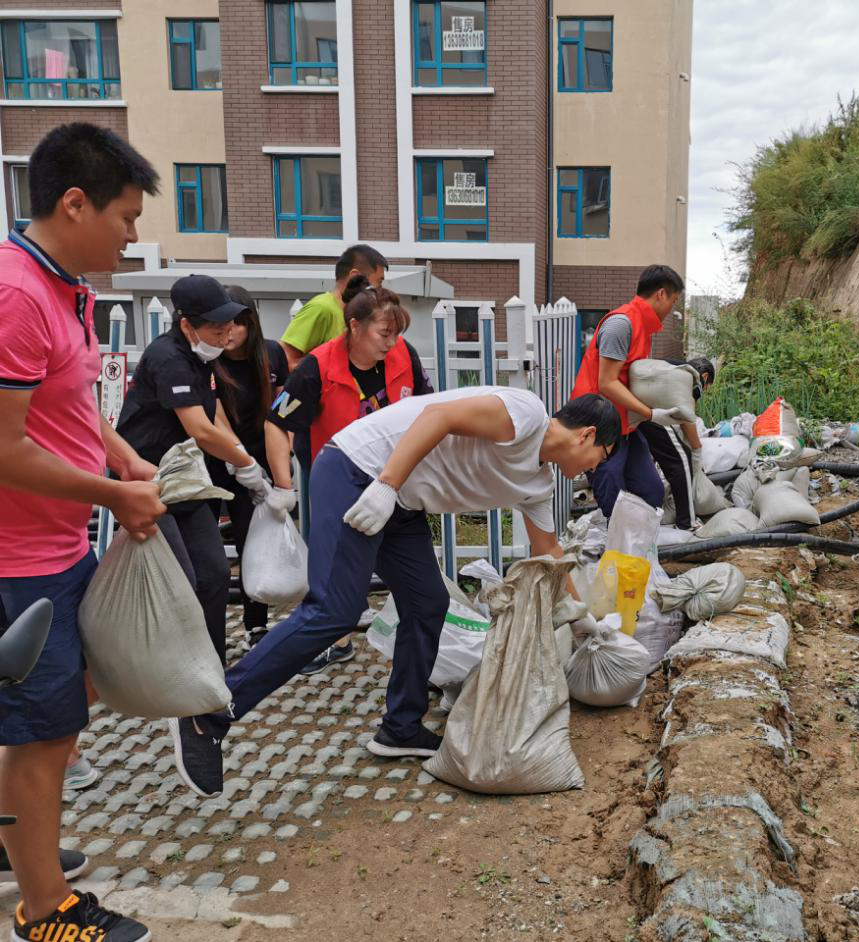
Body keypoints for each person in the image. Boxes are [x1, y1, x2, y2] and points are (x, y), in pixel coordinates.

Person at [168, 388, 620, 796]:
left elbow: (549, 551)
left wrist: (581, 620)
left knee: (428, 604)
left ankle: (400, 728)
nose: (596, 467)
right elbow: (437, 417)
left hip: (400, 503)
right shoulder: (525, 414)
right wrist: (385, 485)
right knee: (334, 610)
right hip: (357, 470)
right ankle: (209, 714)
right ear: (587, 435)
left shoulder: (538, 482)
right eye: (603, 454)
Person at [0, 121, 164, 942]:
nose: (133, 234)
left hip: (58, 544)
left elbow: (68, 411)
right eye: (126, 216)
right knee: (45, 729)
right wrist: (112, 493)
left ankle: (19, 835)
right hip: (16, 559)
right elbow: (3, 447)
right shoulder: (16, 295)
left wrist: (125, 460)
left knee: (56, 714)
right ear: (74, 204)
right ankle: (44, 910)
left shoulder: (65, 288)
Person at [266, 275, 432, 675]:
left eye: (396, 334)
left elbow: (430, 413)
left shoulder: (404, 356)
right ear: (354, 327)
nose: (390, 343)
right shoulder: (316, 367)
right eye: (383, 333)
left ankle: (412, 683)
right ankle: (315, 647)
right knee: (333, 594)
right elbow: (277, 422)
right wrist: (283, 485)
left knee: (424, 594)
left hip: (395, 486)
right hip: (342, 484)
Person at [115, 274, 272, 665]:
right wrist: (246, 462)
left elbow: (213, 416)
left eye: (229, 328)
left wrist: (241, 462)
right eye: (217, 330)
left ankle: (211, 663)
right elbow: (199, 429)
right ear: (186, 324)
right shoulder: (169, 358)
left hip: (184, 481)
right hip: (146, 481)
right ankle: (172, 665)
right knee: (180, 577)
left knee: (215, 571)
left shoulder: (202, 358)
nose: (225, 337)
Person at [570, 264, 689, 519]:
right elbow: (607, 382)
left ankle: (640, 549)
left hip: (625, 424)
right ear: (660, 294)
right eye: (674, 300)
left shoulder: (643, 327)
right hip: (598, 425)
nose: (672, 309)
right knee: (614, 498)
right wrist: (650, 414)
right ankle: (619, 554)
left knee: (651, 491)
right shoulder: (621, 324)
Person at [213, 285, 291, 649]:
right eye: (222, 325)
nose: (229, 334)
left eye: (237, 325)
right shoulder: (209, 360)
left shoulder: (272, 355)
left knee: (253, 542)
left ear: (251, 324)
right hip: (217, 458)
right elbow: (212, 416)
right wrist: (236, 456)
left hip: (262, 459)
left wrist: (280, 468)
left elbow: (285, 410)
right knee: (208, 552)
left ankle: (255, 624)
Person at [279, 243, 389, 371]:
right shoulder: (321, 308)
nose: (380, 290)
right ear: (355, 276)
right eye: (379, 282)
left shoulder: (358, 315)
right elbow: (285, 363)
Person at [637, 355, 717, 530]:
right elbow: (686, 419)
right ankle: (687, 522)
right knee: (681, 460)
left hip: (633, 409)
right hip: (650, 413)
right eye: (708, 386)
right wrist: (696, 450)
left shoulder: (676, 367)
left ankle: (639, 514)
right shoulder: (693, 380)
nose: (705, 391)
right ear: (705, 377)